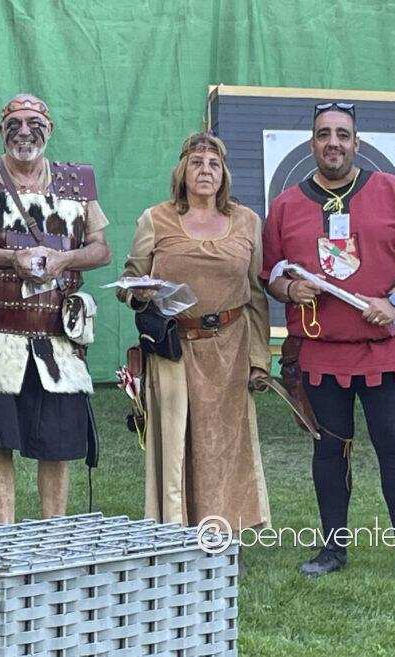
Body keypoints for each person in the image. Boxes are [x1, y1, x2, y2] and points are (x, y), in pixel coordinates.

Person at [260, 101, 395, 587]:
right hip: (322, 353)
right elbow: (270, 274)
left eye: (342, 134)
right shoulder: (286, 205)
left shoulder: (392, 191)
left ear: (357, 142)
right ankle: (333, 548)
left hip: (384, 348)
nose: (333, 142)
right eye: (323, 134)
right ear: (312, 143)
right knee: (329, 451)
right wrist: (288, 289)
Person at [0, 93, 111, 524]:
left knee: (57, 441)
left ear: (49, 129)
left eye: (34, 122)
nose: (24, 130)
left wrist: (65, 259)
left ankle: (52, 530)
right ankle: (6, 531)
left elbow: (101, 249)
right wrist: (8, 258)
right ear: (1, 130)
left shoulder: (77, 183)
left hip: (57, 337)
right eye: (14, 122)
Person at [117, 132, 271, 531]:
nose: (205, 170)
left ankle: (225, 533)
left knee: (225, 445)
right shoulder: (156, 219)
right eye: (197, 162)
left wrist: (259, 360)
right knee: (175, 443)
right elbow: (130, 281)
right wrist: (139, 294)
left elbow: (256, 295)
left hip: (230, 347)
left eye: (214, 164)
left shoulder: (247, 221)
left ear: (225, 175)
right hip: (173, 349)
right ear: (182, 171)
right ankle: (174, 531)